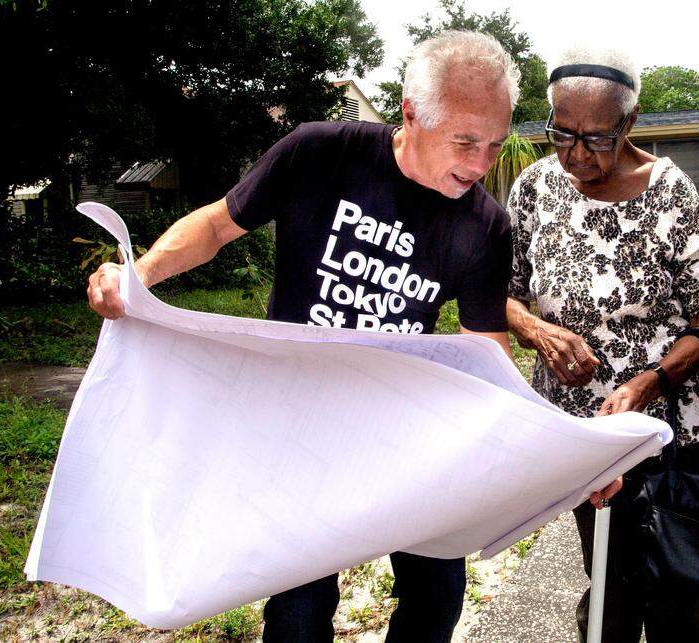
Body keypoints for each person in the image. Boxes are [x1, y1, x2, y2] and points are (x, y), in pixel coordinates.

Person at [85, 30, 519, 643]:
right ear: (411, 113)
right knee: (298, 613)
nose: (480, 166)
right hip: (296, 429)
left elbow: (486, 354)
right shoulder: (321, 152)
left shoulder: (485, 225)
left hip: (406, 433)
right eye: (465, 141)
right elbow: (215, 225)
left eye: (495, 145)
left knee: (437, 596)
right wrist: (139, 276)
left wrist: (555, 450)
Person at [506, 45, 699, 643]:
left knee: (675, 585)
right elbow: (501, 295)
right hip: (582, 432)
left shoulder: (669, 191)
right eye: (562, 134)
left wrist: (649, 383)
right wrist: (537, 331)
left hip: (667, 427)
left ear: (629, 124)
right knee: (605, 572)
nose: (576, 153)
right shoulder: (533, 190)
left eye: (595, 138)